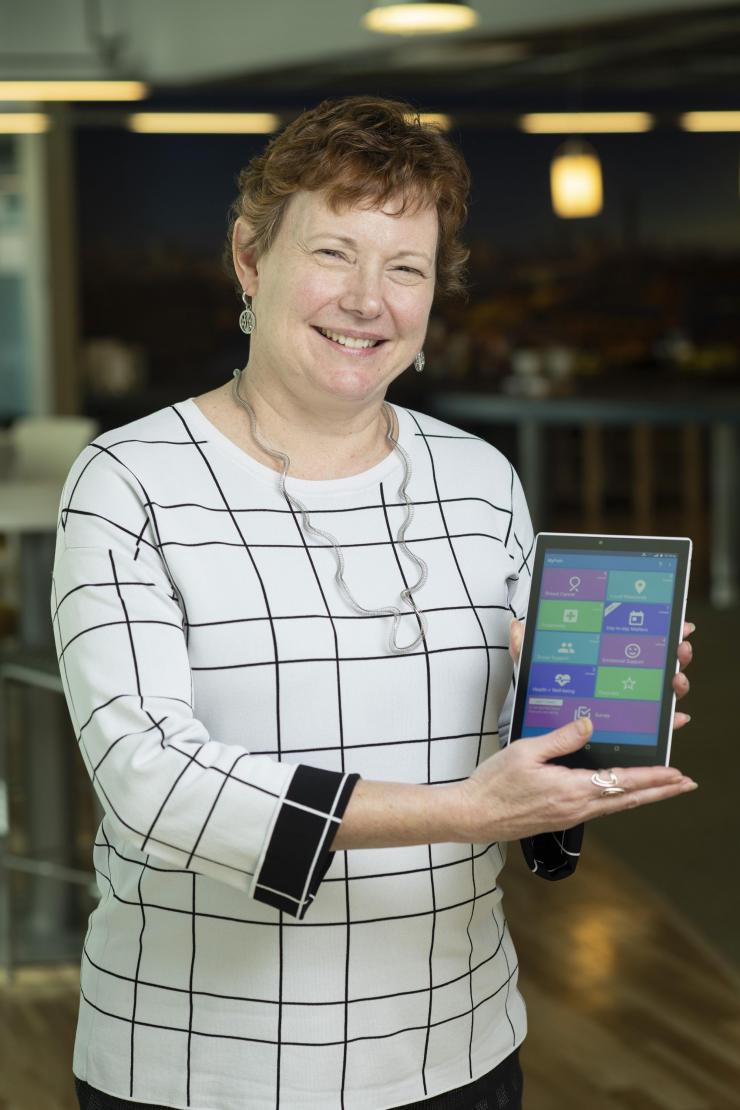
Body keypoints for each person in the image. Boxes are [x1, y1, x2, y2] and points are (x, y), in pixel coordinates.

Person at [51, 96, 695, 1110]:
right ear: (250, 260)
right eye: (333, 253)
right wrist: (464, 809)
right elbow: (150, 780)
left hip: (459, 1046)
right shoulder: (129, 480)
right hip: (203, 1060)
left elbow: (509, 768)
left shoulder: (479, 478)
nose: (367, 299)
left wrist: (576, 721)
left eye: (405, 268)